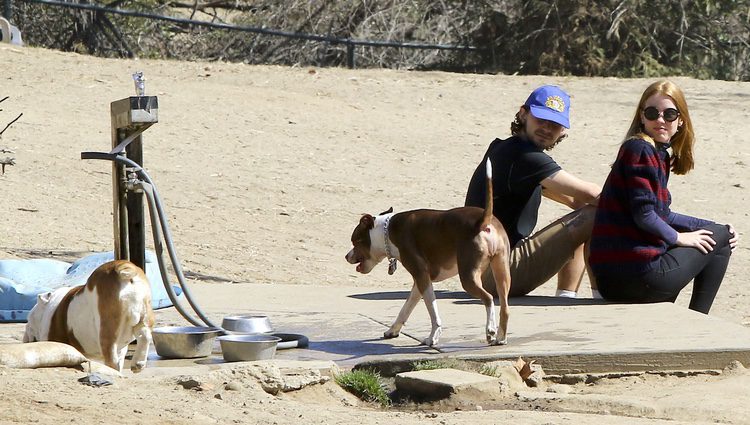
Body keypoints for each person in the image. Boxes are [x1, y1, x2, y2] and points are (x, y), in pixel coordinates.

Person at [588, 80, 739, 314]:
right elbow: (645, 215)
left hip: (614, 280)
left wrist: (712, 227)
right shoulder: (640, 149)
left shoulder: (655, 153)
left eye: (669, 114)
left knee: (720, 233)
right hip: (636, 276)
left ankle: (692, 319)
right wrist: (679, 237)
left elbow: (662, 214)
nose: (660, 120)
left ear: (680, 121)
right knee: (721, 238)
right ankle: (698, 320)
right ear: (641, 117)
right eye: (652, 113)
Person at [465, 85, 601, 298]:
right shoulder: (524, 156)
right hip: (496, 273)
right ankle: (599, 297)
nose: (547, 128)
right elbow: (593, 195)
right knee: (596, 214)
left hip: (480, 270)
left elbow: (577, 201)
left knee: (586, 211)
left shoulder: (504, 148)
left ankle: (566, 296)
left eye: (555, 124)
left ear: (563, 130)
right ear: (523, 114)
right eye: (541, 120)